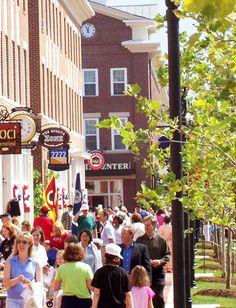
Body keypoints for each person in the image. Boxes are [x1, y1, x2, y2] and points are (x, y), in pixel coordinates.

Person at [136, 215, 170, 308]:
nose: (146, 227)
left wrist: (160, 261)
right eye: (145, 225)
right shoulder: (140, 240)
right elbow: (136, 255)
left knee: (158, 296)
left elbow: (167, 255)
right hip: (144, 274)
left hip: (158, 273)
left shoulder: (161, 240)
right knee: (146, 297)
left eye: (148, 225)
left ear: (154, 226)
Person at [3, 232, 43, 308]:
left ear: (30, 244)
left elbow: (40, 286)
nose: (21, 244)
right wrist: (17, 280)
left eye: (24, 242)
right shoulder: (9, 262)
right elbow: (5, 284)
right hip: (12, 300)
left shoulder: (36, 263)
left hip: (30, 301)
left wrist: (29, 283)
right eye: (19, 242)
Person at [91, 243, 134, 308]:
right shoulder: (123, 273)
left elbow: (96, 294)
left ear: (106, 256)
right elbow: (128, 294)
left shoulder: (99, 272)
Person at [53, 243, 93, 308]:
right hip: (84, 301)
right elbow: (91, 287)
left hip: (67, 301)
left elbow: (55, 287)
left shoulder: (61, 268)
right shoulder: (86, 267)